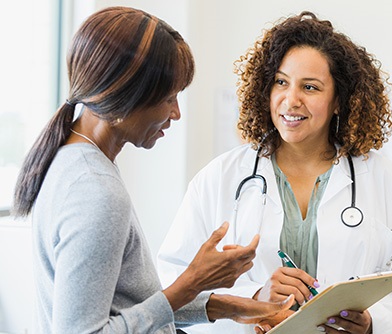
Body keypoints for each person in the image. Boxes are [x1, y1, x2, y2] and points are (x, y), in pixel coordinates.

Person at [158, 11, 392, 334]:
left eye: (310, 87)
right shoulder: (219, 179)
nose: (291, 100)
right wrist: (254, 300)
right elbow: (171, 287)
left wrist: (371, 324)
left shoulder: (384, 180)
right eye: (281, 82)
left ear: (338, 100)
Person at [12, 6, 295, 333]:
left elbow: (126, 305)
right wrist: (189, 283)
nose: (176, 113)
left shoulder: (71, 157)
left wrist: (228, 306)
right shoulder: (96, 191)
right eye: (168, 98)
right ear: (125, 95)